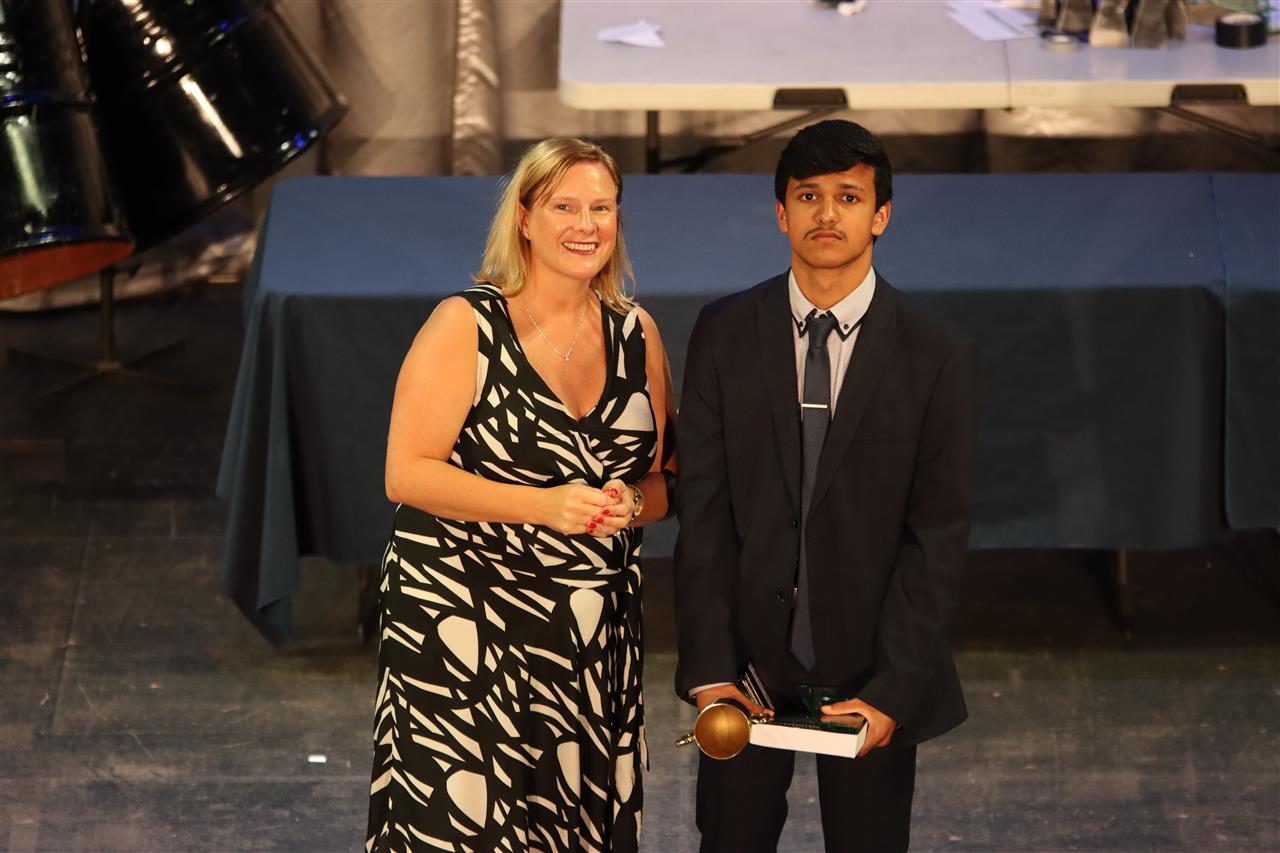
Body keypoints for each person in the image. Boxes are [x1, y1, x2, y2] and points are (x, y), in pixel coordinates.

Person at [673, 120, 976, 852]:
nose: (827, 214)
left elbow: (937, 536)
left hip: (871, 670)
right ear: (781, 213)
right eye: (808, 196)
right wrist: (711, 672)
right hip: (745, 671)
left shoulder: (935, 353)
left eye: (849, 196)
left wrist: (893, 688)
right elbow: (703, 515)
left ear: (881, 215)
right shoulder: (724, 332)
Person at [368, 137, 677, 852]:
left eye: (602, 208)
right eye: (565, 207)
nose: (586, 225)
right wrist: (544, 505)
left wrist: (631, 505)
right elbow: (405, 473)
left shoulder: (638, 333)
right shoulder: (466, 324)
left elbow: (667, 480)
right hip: (466, 620)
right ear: (526, 219)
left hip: (588, 636)